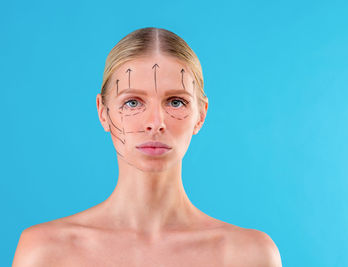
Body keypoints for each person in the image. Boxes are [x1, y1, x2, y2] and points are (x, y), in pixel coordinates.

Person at [12, 27, 282, 266]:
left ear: (201, 115)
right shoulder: (45, 253)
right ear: (103, 112)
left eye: (176, 101)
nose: (155, 123)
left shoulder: (249, 256)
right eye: (133, 102)